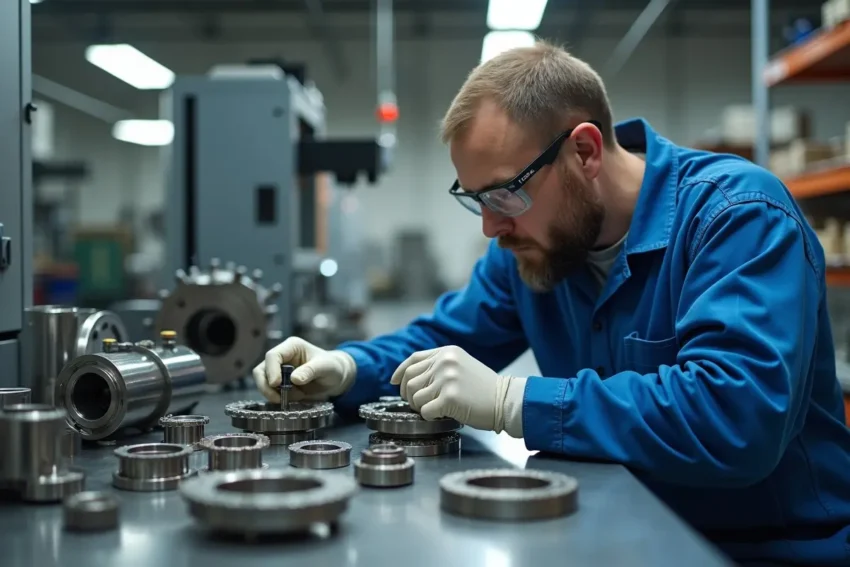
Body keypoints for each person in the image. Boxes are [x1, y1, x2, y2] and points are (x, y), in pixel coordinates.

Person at [254, 41, 850, 566]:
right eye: (474, 198)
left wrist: (516, 402)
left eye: (504, 194)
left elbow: (735, 417)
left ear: (585, 151)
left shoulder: (736, 218)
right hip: (620, 529)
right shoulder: (535, 250)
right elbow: (442, 340)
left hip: (765, 547)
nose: (491, 227)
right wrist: (347, 367)